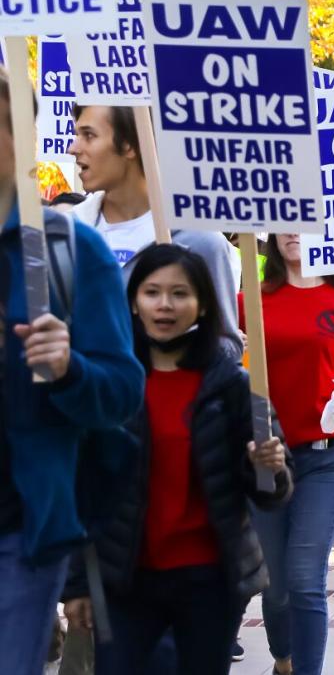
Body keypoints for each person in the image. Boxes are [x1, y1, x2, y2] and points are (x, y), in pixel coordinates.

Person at [61, 245, 292, 675]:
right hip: (125, 581)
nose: (165, 305)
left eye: (180, 293)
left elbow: (271, 495)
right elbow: (81, 487)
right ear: (133, 300)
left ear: (203, 303)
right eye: (152, 292)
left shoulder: (234, 386)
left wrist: (269, 464)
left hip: (210, 580)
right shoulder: (111, 384)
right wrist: (76, 583)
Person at [0, 67, 146, 675]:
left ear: (20, 136)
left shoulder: (66, 249)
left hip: (21, 533)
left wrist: (68, 368)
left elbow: (120, 393)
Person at [245, 234, 334, 675]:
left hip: (325, 458)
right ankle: (284, 660)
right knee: (276, 585)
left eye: (304, 223)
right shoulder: (248, 300)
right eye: (284, 222)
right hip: (265, 460)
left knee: (305, 581)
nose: (292, 233)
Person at [68, 105, 242, 359]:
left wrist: (172, 347)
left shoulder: (200, 241)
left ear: (129, 144)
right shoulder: (66, 233)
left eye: (89, 135)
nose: (73, 148)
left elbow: (227, 350)